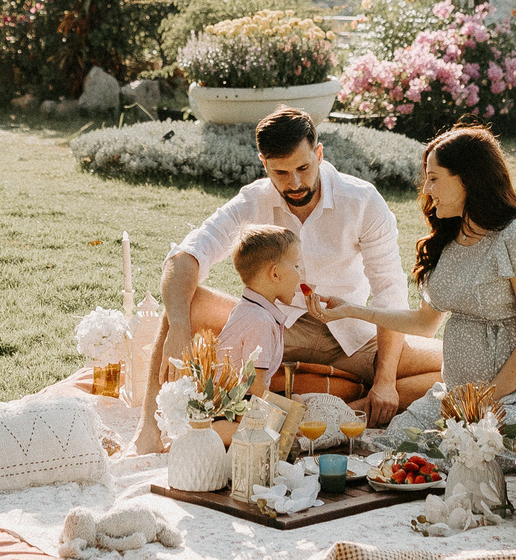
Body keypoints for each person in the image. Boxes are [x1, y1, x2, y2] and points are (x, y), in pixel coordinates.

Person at [147, 108, 439, 450]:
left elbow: (390, 291)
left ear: (318, 153)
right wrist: (180, 326)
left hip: (352, 334)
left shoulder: (361, 200)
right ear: (264, 163)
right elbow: (185, 256)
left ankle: (342, 412)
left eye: (303, 168)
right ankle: (148, 431)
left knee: (454, 368)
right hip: (273, 328)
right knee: (183, 303)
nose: (295, 183)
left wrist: (387, 380)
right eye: (281, 172)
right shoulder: (253, 199)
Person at [312, 124, 516, 420]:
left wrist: (483, 403)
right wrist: (353, 310)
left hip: (513, 396)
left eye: (434, 179)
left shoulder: (515, 237)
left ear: (467, 179)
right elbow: (425, 323)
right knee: (402, 445)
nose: (427, 190)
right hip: (459, 396)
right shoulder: (449, 241)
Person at [213, 224, 302, 396]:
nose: (300, 274)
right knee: (300, 405)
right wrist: (290, 407)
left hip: (234, 399)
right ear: (275, 274)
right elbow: (257, 390)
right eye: (296, 266)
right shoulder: (261, 322)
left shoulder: (249, 309)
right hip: (231, 407)